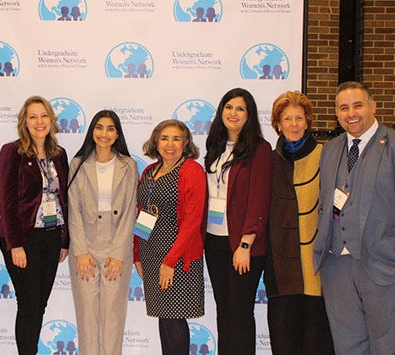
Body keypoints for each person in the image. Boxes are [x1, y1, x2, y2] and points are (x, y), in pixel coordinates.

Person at [314, 81, 395, 354]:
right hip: (336, 263)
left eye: (358, 105)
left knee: (387, 342)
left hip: (382, 263)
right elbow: (326, 202)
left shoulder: (392, 144)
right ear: (336, 114)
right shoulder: (331, 148)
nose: (351, 113)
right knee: (347, 343)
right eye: (344, 108)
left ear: (373, 106)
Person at [0, 95, 70, 355]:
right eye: (33, 116)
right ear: (24, 122)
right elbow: (6, 201)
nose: (39, 122)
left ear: (51, 119)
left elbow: (64, 200)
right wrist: (15, 245)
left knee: (39, 304)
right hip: (22, 238)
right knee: (28, 304)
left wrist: (64, 241)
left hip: (51, 238)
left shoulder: (59, 155)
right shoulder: (12, 152)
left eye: (44, 115)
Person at [203, 88, 273, 355]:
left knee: (240, 312)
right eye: (229, 107)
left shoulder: (260, 149)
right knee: (224, 310)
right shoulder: (215, 147)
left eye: (240, 109)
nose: (233, 113)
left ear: (249, 115)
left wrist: (245, 244)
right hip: (214, 239)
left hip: (243, 244)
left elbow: (259, 200)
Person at [265, 91, 334, 354]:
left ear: (307, 122)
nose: (293, 124)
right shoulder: (269, 161)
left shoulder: (326, 156)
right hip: (281, 265)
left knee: (317, 339)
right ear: (278, 124)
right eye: (287, 119)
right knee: (283, 338)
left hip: (318, 263)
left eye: (299, 118)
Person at [67, 110, 137, 355]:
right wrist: (81, 251)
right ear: (92, 131)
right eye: (99, 127)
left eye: (110, 128)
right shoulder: (78, 164)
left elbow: (130, 212)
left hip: (116, 245)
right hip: (85, 243)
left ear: (117, 133)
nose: (104, 134)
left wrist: (119, 253)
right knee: (86, 317)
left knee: (112, 317)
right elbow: (72, 210)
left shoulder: (128, 165)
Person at [133, 119, 205, 354]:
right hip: (151, 256)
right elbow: (143, 214)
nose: (170, 144)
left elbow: (192, 222)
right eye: (164, 138)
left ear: (185, 143)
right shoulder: (149, 171)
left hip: (176, 258)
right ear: (156, 142)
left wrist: (170, 261)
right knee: (164, 318)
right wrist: (137, 254)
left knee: (174, 318)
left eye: (176, 139)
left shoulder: (191, 170)